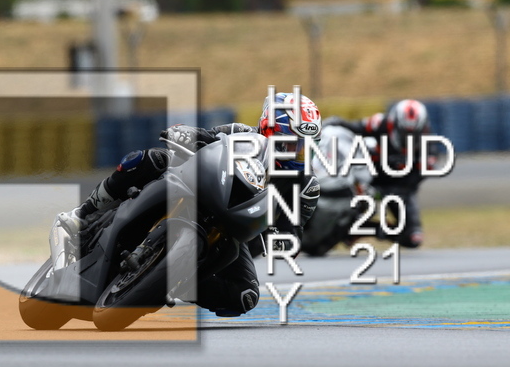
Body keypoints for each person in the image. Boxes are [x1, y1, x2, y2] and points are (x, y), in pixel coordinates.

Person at [59, 92, 321, 317]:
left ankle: (174, 281)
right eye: (292, 143)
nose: (297, 153)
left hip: (233, 232)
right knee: (151, 160)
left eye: (305, 147)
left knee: (245, 296)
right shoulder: (241, 134)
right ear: (268, 130)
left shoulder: (306, 187)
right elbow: (205, 136)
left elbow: (293, 233)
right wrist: (184, 134)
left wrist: (279, 239)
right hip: (199, 188)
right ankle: (84, 213)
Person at [325, 99, 435, 248]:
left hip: (399, 188)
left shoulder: (428, 144)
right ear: (394, 123)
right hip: (370, 179)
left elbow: (417, 178)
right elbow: (355, 128)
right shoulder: (380, 123)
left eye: (412, 134)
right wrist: (336, 122)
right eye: (404, 132)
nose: (408, 138)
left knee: (413, 238)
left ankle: (364, 230)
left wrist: (389, 192)